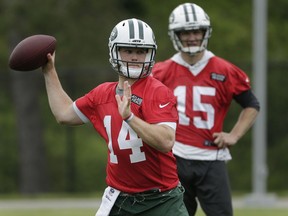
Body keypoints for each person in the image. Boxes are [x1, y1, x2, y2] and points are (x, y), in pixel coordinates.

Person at [42, 18, 189, 216]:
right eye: (128, 50)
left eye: (141, 51)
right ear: (114, 51)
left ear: (150, 54)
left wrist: (130, 118)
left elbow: (166, 141)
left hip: (161, 200)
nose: (135, 57)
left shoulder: (158, 92)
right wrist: (49, 71)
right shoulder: (102, 94)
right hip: (120, 198)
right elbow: (64, 114)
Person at [152, 3, 260, 216]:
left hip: (212, 158)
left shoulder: (224, 70)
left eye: (196, 31)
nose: (192, 37)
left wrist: (234, 135)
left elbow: (251, 104)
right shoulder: (161, 71)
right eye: (186, 32)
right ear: (176, 35)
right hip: (174, 157)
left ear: (205, 32)